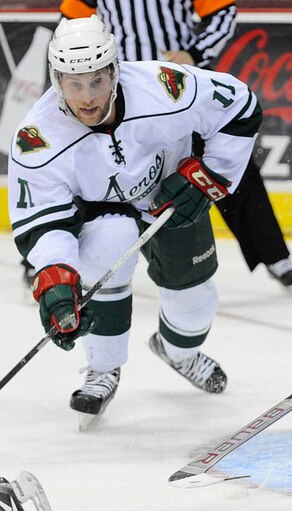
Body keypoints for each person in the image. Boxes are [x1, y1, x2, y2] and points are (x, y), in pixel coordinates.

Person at [8, 16, 263, 423]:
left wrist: (209, 177)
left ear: (115, 71)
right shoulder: (38, 138)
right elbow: (42, 222)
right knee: (108, 242)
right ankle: (103, 368)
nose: (86, 97)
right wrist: (55, 280)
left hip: (172, 202)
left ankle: (178, 351)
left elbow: (241, 105)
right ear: (57, 81)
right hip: (99, 211)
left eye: (96, 81)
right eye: (74, 84)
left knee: (194, 302)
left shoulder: (164, 87)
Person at [25, 0, 292, 290]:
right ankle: (45, 261)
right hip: (116, 94)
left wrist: (196, 53)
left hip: (176, 89)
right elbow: (70, 26)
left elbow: (223, 11)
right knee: (86, 175)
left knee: (227, 162)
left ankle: (275, 255)